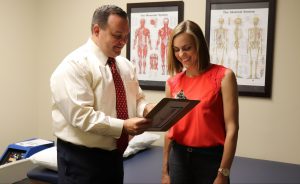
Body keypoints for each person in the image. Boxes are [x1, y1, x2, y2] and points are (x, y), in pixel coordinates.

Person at [50, 5, 154, 184]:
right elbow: (81, 116)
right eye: (117, 35)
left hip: (114, 157)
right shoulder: (74, 66)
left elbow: (137, 97)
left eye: (126, 36)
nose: (123, 42)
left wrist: (146, 108)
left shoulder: (125, 66)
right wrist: (123, 126)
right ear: (97, 30)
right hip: (81, 161)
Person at [161, 20, 239, 184]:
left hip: (211, 160)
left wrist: (223, 173)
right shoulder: (172, 83)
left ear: (199, 45)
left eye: (187, 48)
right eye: (176, 50)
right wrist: (165, 172)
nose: (181, 54)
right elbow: (170, 131)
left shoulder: (224, 76)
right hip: (179, 158)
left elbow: (232, 128)